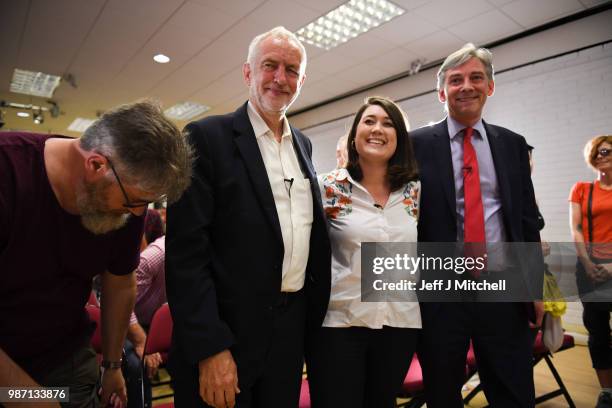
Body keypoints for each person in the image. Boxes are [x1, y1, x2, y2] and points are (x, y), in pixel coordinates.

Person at [166, 26, 331, 408]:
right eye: (269, 66)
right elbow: (186, 257)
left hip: (288, 334)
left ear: (302, 80)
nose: (280, 78)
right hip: (227, 336)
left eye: (291, 70)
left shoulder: (302, 145)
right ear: (247, 73)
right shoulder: (205, 138)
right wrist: (211, 349)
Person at [0, 100, 193, 408]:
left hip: (64, 358)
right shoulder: (9, 170)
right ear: (96, 165)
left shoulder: (127, 202)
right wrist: (32, 398)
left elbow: (119, 282)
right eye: (136, 201)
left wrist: (113, 365)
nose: (139, 213)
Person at [411, 43, 544, 407]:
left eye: (475, 78)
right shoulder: (414, 145)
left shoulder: (512, 145)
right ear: (442, 91)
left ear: (490, 87)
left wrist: (534, 285)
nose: (466, 86)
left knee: (513, 389)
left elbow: (525, 221)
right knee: (442, 391)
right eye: (455, 80)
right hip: (440, 292)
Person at [306, 96, 420, 408]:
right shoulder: (325, 188)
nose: (377, 129)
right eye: (369, 121)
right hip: (339, 326)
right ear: (354, 134)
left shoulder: (416, 191)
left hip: (398, 325)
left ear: (399, 137)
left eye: (387, 123)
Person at [569, 135, 612, 407]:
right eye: (596, 151)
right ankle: (607, 391)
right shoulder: (582, 189)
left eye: (607, 150)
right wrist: (587, 263)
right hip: (589, 269)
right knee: (597, 333)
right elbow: (576, 229)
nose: (601, 154)